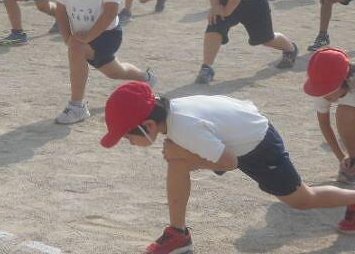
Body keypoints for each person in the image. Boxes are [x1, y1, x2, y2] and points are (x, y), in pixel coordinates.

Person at [100, 81, 355, 254]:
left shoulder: (185, 128)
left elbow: (230, 162)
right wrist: (186, 156)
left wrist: (193, 160)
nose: (129, 142)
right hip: (236, 136)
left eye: (127, 137)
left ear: (148, 126)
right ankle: (178, 234)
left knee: (303, 200)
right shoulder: (172, 117)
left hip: (260, 146)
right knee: (175, 155)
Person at [54, 0, 156, 124]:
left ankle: (77, 107)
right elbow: (60, 10)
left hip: (107, 35)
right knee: (115, 72)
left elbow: (110, 13)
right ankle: (145, 77)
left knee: (77, 47)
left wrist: (83, 39)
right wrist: (67, 37)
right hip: (82, 37)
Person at [304, 47, 355, 185]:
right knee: (344, 113)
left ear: (345, 80)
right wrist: (342, 158)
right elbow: (324, 124)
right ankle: (353, 161)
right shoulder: (321, 89)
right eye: (320, 89)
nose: (323, 94)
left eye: (328, 89)